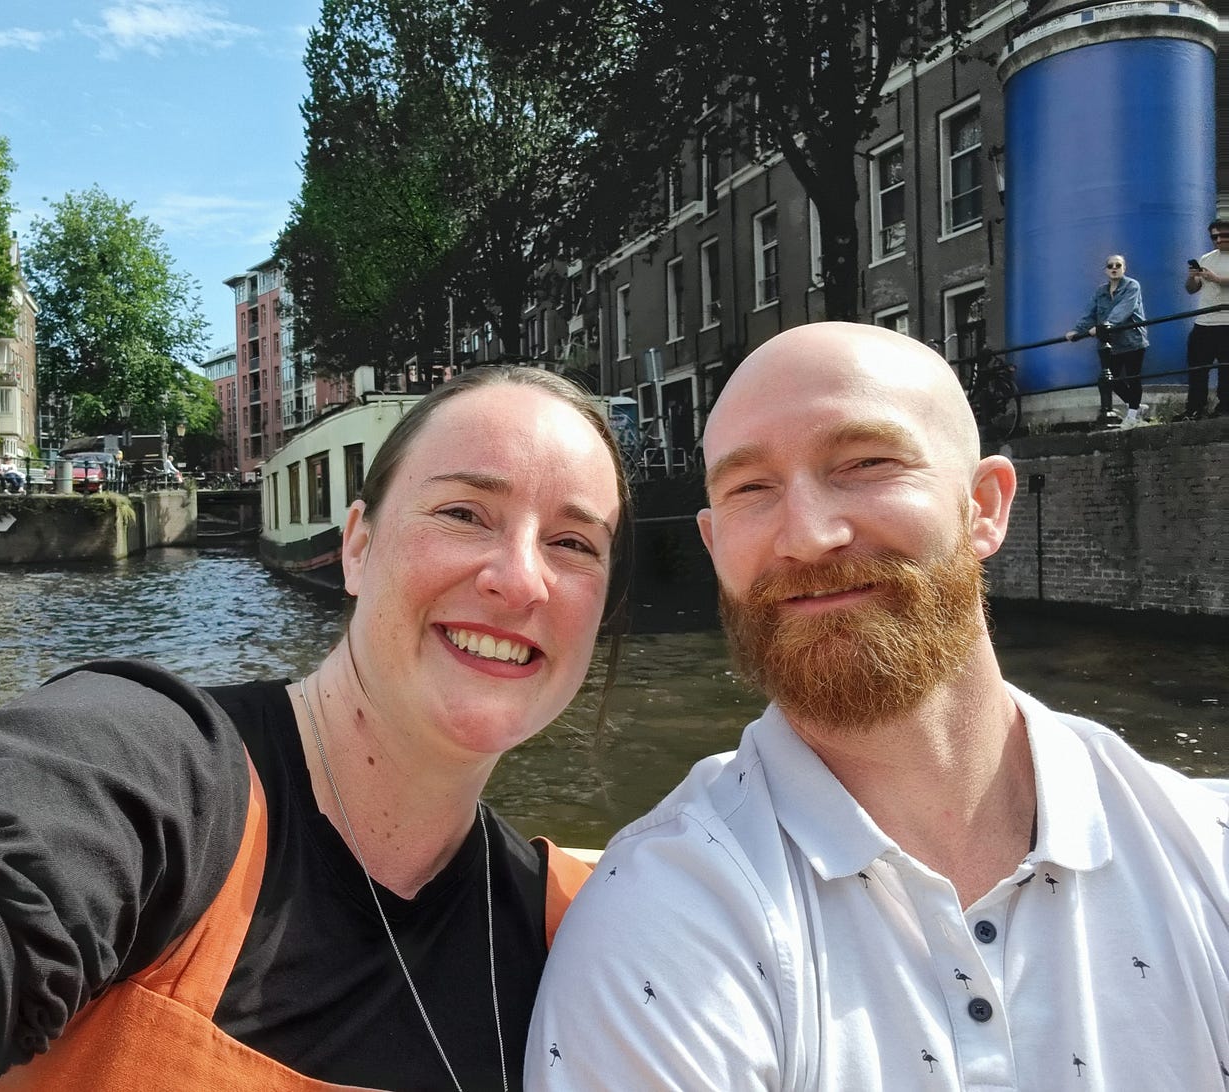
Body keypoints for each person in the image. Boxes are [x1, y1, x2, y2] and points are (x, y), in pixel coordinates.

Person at [0, 365, 632, 1091]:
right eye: (463, 514)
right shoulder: (159, 774)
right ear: (358, 547)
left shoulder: (581, 932)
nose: (522, 581)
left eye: (573, 544)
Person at [526, 323, 1229, 1090]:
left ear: (984, 506)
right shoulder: (660, 925)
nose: (809, 536)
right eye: (751, 489)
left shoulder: (1207, 855)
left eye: (865, 463)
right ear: (712, 542)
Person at [1065, 253, 1149, 428]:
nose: (1114, 269)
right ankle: (1136, 406)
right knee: (1111, 379)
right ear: (1105, 270)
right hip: (1112, 343)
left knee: (1133, 377)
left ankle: (1132, 415)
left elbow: (1124, 308)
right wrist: (1077, 330)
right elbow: (1090, 312)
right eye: (1110, 266)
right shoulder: (1101, 291)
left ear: (1124, 268)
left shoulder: (1132, 286)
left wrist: (1105, 325)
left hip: (1132, 339)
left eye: (1118, 265)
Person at [1181, 218, 1229, 419]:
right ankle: (1194, 408)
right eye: (1214, 236)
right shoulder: (1207, 258)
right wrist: (1193, 277)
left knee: (1226, 371)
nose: (1218, 240)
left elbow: (1216, 281)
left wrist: (1216, 279)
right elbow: (1192, 289)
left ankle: (1224, 408)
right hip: (1204, 321)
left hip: (1227, 321)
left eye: (1223, 235)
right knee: (1198, 368)